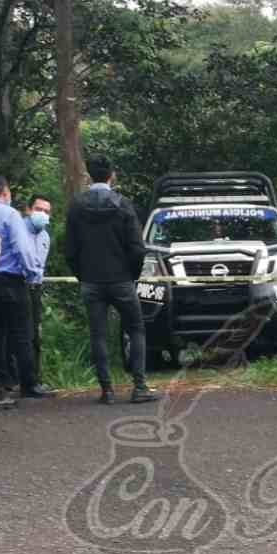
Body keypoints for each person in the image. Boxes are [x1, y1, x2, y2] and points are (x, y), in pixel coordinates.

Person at [65, 154, 159, 405]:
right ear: (112, 175)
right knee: (136, 329)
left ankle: (107, 390)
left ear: (88, 175)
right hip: (121, 280)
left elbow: (70, 250)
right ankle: (139, 387)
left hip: (91, 281)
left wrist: (82, 275)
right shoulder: (123, 205)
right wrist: (132, 275)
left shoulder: (77, 206)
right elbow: (138, 249)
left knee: (98, 334)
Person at [0, 175, 55, 404]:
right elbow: (22, 248)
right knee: (23, 335)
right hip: (12, 280)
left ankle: (0, 383)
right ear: (5, 192)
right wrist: (32, 273)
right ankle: (29, 384)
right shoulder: (10, 215)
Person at [23, 193, 53, 392]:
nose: (42, 214)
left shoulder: (44, 236)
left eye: (46, 211)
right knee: (19, 335)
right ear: (28, 209)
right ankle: (18, 381)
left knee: (34, 335)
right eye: (38, 209)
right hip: (18, 285)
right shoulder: (18, 229)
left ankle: (33, 380)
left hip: (35, 288)